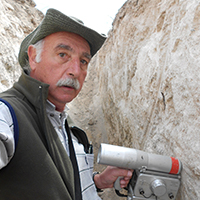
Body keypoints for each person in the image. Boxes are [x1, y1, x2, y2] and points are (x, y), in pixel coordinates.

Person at [0, 8, 132, 200]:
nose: (75, 70)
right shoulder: (8, 114)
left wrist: (97, 181)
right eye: (63, 55)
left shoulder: (68, 129)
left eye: (84, 61)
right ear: (33, 56)